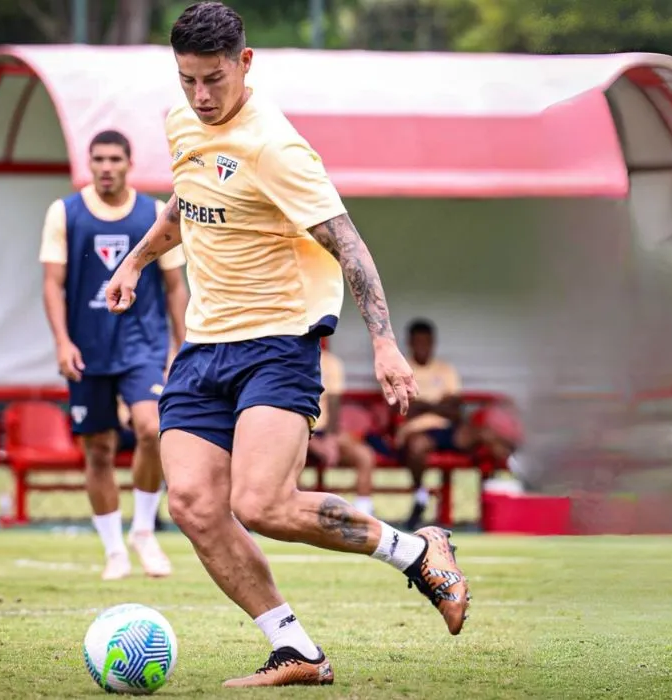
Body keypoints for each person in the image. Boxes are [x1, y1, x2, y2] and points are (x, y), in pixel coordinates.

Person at [104, 2, 470, 687]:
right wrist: (134, 263)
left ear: (245, 63)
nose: (202, 96)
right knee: (190, 502)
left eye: (214, 79)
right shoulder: (182, 121)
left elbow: (349, 244)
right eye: (188, 80)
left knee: (262, 504)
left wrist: (386, 346)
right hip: (206, 346)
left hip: (278, 342)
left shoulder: (275, 146)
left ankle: (418, 552)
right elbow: (186, 204)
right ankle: (295, 649)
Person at [39, 129, 189, 581]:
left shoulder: (153, 212)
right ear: (90, 164)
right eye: (98, 159)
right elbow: (52, 283)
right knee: (98, 450)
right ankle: (114, 552)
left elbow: (175, 286)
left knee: (152, 428)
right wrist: (62, 342)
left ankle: (143, 530)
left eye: (113, 159)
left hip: (141, 345)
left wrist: (178, 348)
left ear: (129, 163)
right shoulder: (65, 213)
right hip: (88, 350)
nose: (105, 167)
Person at [395, 319, 464, 528]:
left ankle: (498, 491)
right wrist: (438, 404)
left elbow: (455, 409)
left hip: (448, 429)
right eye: (418, 342)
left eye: (427, 342)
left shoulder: (446, 369)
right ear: (410, 343)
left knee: (483, 435)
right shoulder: (401, 369)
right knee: (417, 447)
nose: (423, 347)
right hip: (419, 431)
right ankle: (421, 496)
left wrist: (423, 404)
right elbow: (405, 407)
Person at [307, 341, 379, 516]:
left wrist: (330, 441)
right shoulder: (287, 361)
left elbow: (333, 403)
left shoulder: (332, 363)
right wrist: (311, 441)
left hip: (324, 430)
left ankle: (363, 513)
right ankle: (290, 514)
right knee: (288, 456)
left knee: (364, 455)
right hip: (296, 431)